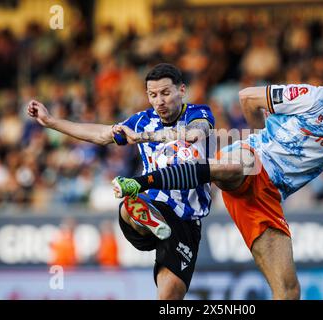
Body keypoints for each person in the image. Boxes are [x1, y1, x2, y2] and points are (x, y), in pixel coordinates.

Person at [113, 47, 323, 300]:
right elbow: (248, 97)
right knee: (234, 163)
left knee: (289, 291)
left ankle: (161, 186)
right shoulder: (312, 97)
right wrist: (262, 136)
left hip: (267, 196)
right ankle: (143, 183)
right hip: (251, 157)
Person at [27, 63, 215, 300]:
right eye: (153, 95)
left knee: (169, 298)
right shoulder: (141, 120)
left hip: (186, 221)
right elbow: (100, 134)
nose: (159, 101)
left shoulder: (200, 113)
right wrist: (52, 121)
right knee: (129, 199)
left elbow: (194, 134)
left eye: (166, 93)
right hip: (157, 202)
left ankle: (151, 222)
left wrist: (145, 137)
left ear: (182, 90)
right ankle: (144, 218)